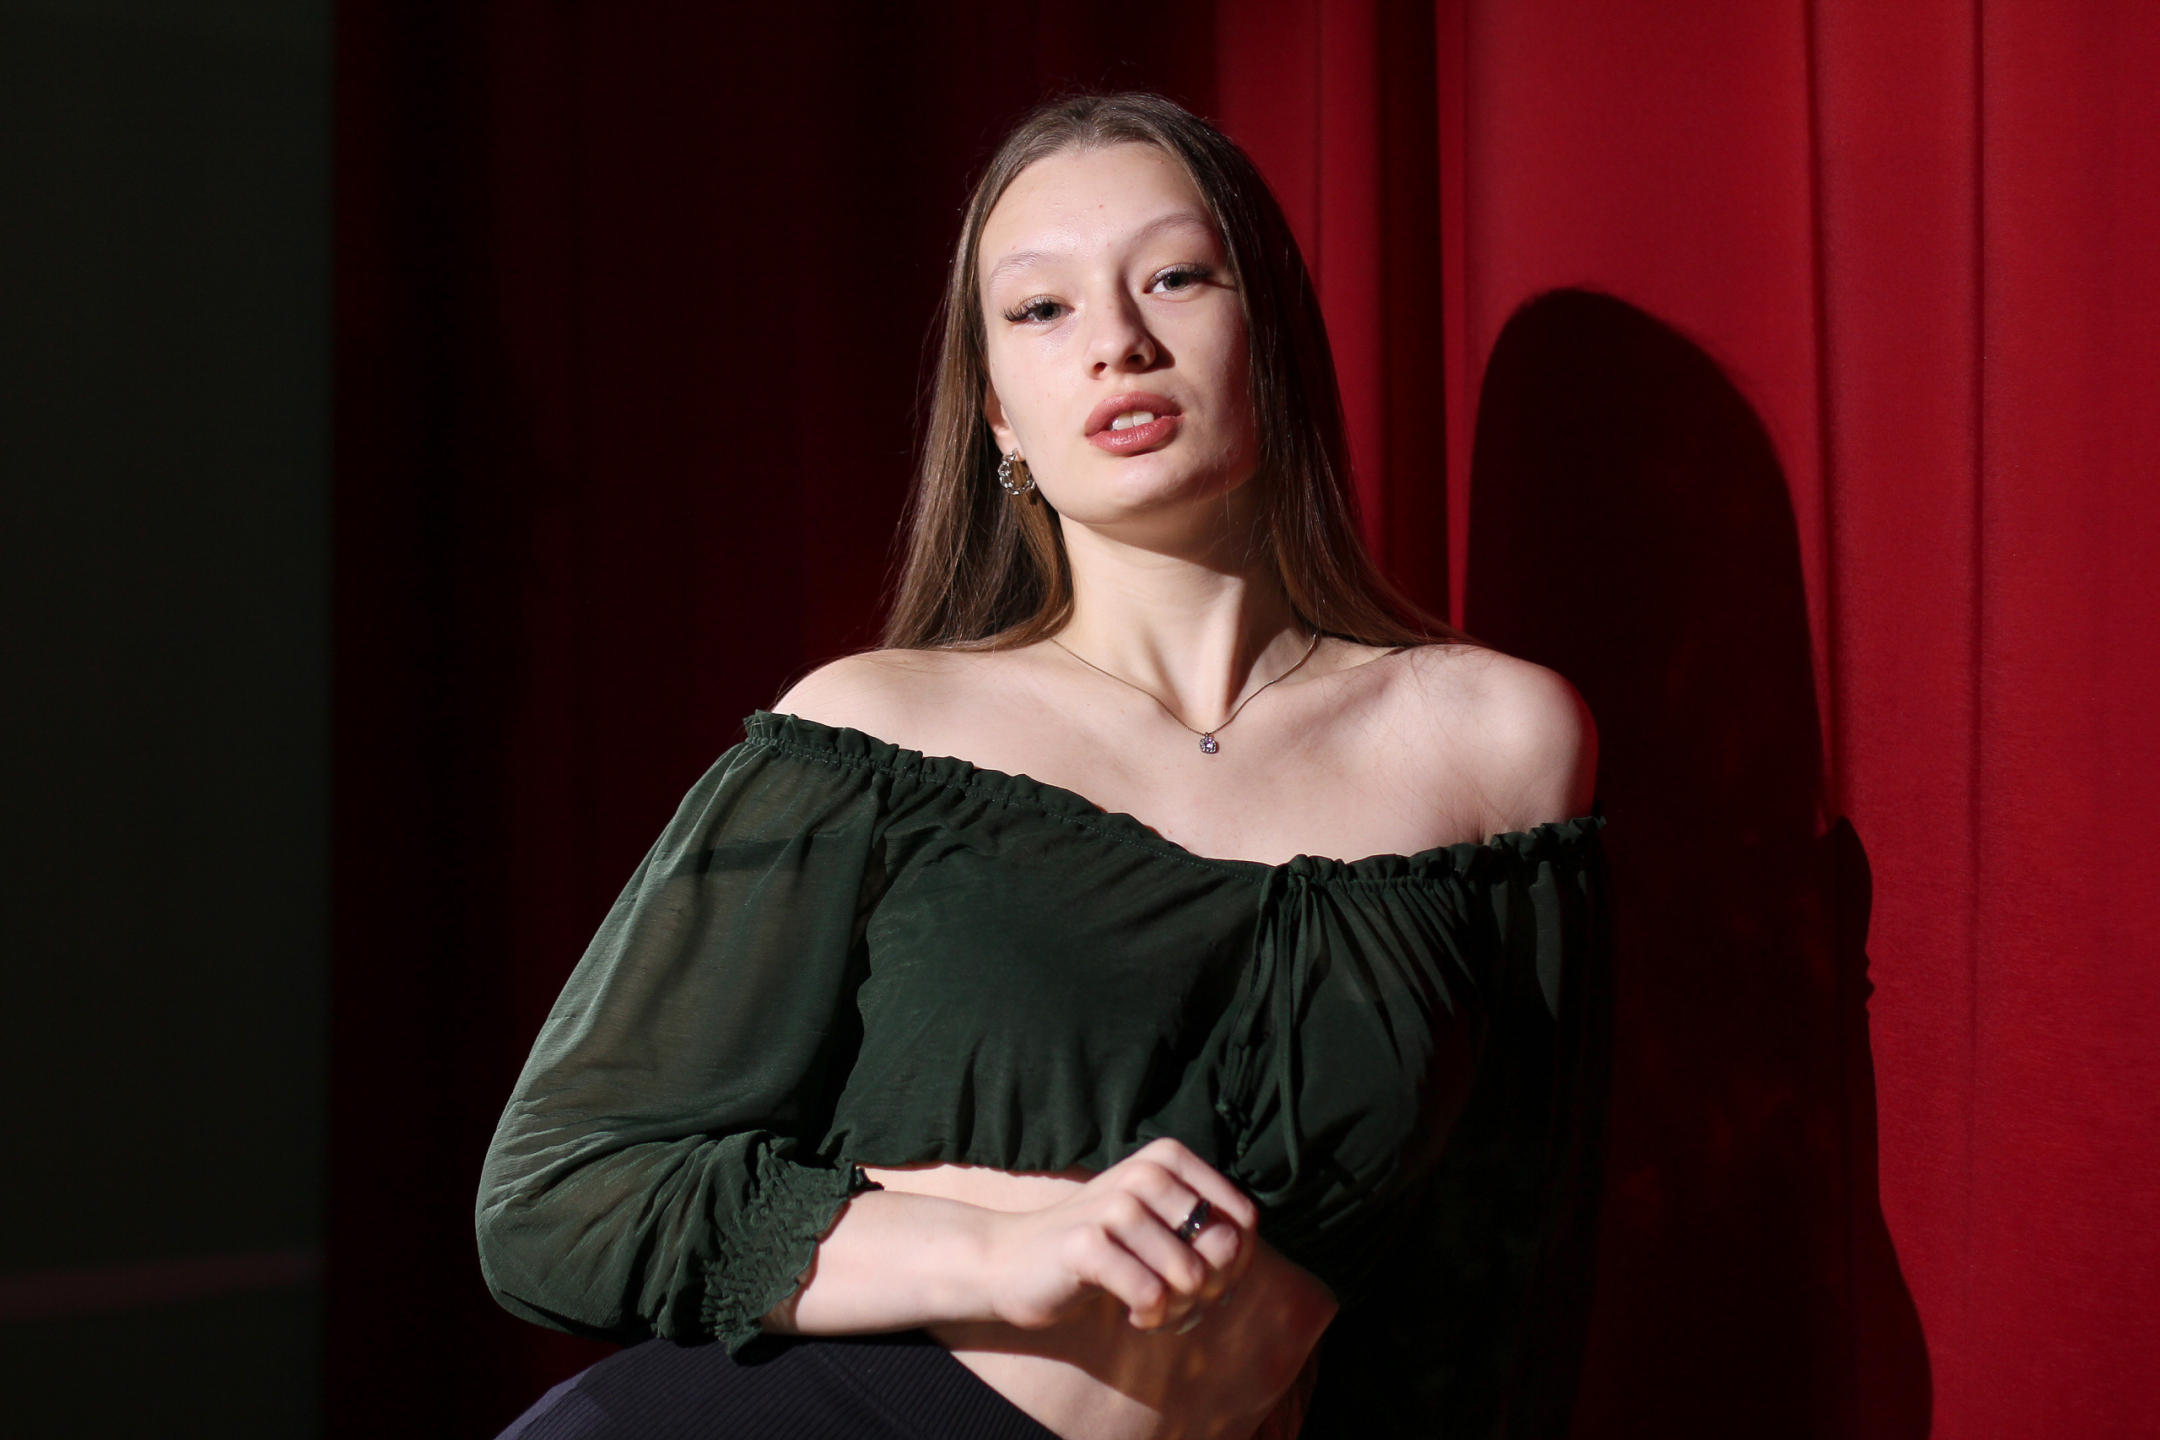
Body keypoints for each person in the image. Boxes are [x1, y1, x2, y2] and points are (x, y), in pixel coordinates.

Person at [476, 89, 1611, 1440]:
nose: (1118, 341)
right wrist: (1001, 1253)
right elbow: (557, 1196)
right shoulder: (876, 732)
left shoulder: (1497, 743)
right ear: (1001, 419)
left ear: (1271, 336)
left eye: (1176, 278)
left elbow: (1490, 1283)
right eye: (1041, 309)